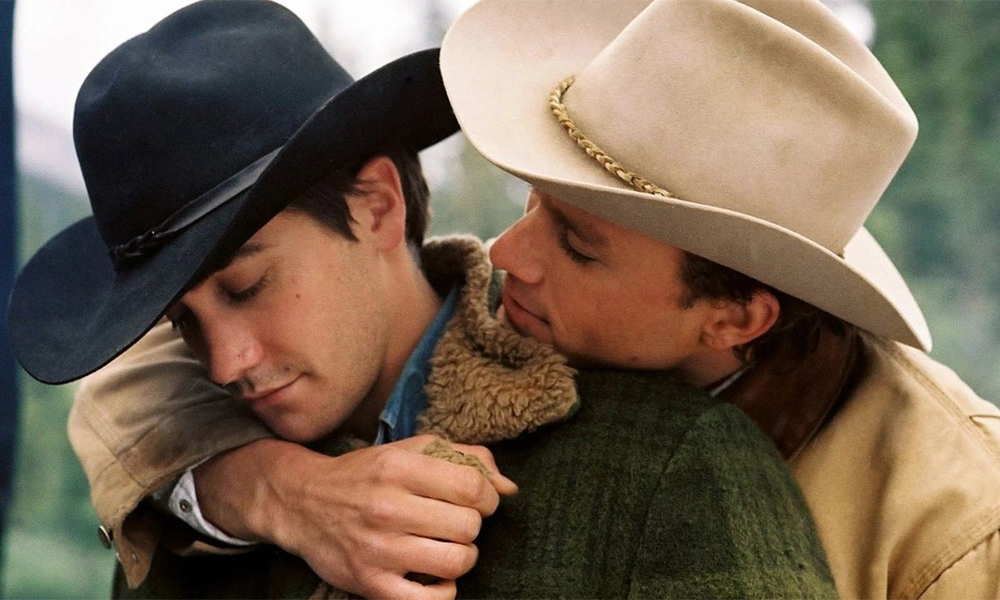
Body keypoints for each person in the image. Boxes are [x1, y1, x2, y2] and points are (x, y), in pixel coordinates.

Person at [61, 0, 1000, 597]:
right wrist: (272, 491)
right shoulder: (263, 406)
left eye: (579, 244)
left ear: (736, 316)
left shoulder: (955, 526)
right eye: (533, 202)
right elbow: (129, 386)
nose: (508, 253)